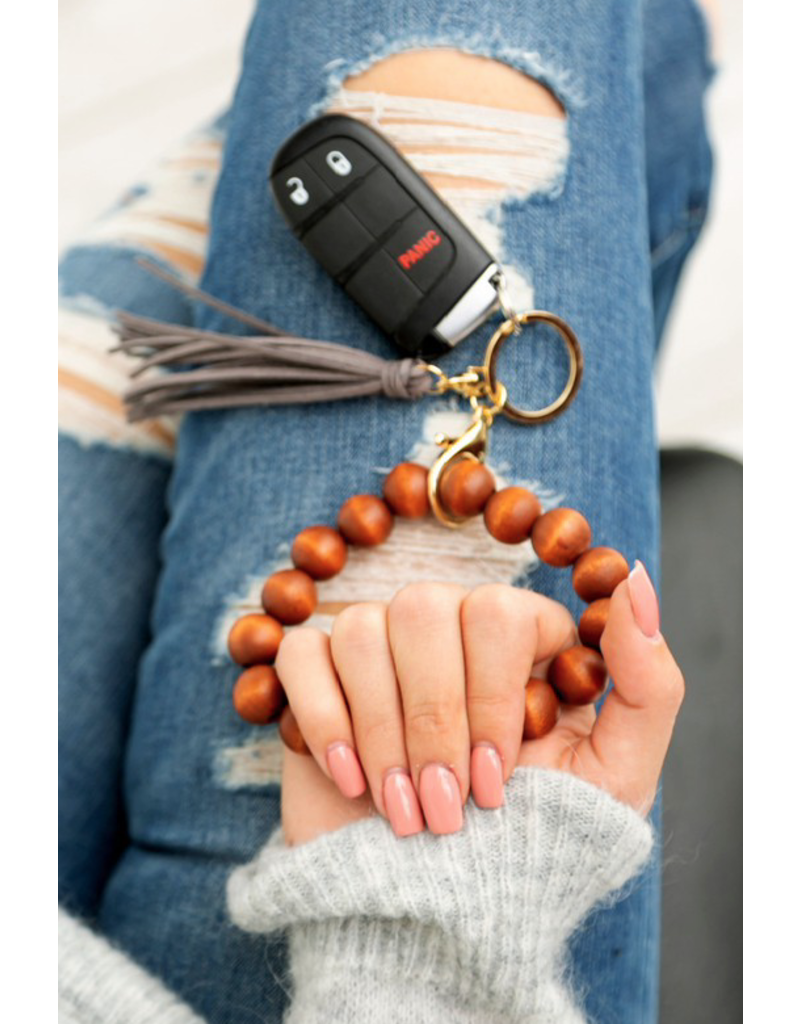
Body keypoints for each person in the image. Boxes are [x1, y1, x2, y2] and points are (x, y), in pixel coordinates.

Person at [58, 1, 717, 1021]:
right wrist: (425, 936)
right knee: (544, 56)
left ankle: (210, 201)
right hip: (367, 937)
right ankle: (212, 199)